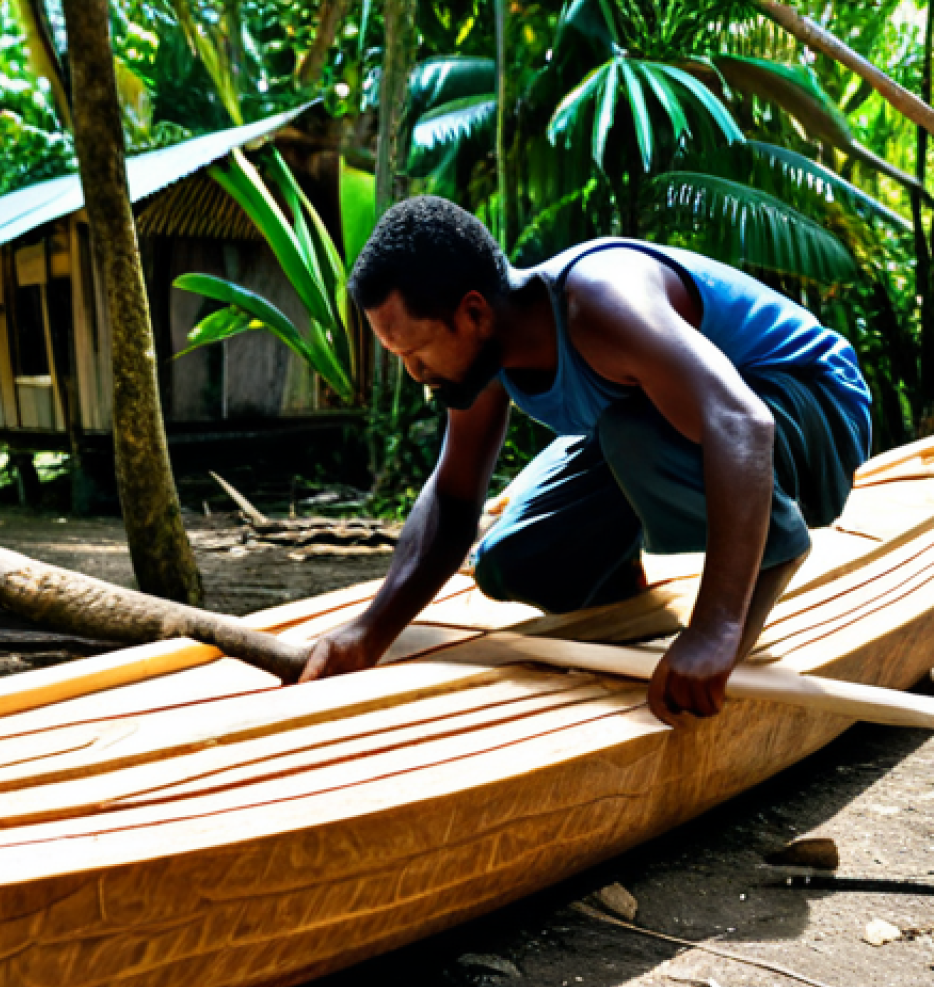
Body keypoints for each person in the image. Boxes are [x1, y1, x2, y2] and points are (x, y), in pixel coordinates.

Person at [299, 196, 871, 725]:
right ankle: (624, 592)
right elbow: (453, 497)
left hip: (812, 406)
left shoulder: (601, 301)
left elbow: (742, 423)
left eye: (416, 351)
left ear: (473, 313)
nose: (414, 372)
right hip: (689, 424)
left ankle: (776, 545)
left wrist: (715, 629)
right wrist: (371, 631)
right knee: (511, 561)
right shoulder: (486, 354)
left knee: (629, 432)